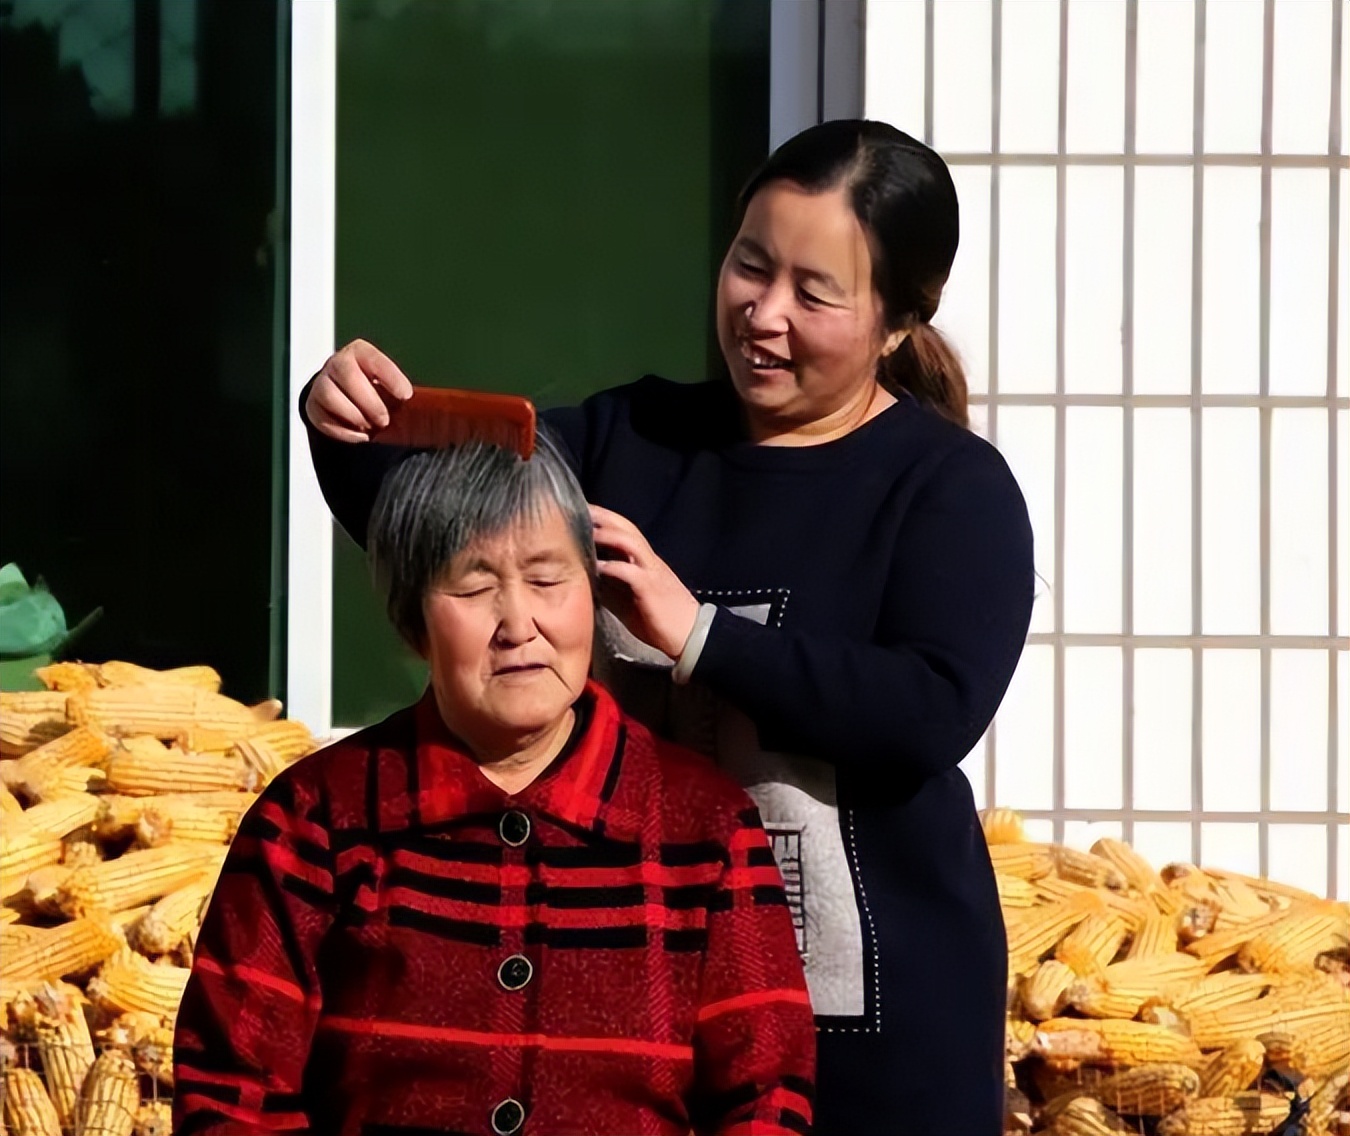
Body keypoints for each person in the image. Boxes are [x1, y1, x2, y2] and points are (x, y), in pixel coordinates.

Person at [302, 119, 1035, 1134]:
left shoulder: (949, 488)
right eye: (748, 265)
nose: (762, 314)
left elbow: (927, 707)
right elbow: (430, 512)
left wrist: (700, 635)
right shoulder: (631, 439)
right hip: (624, 1035)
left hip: (871, 1049)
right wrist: (344, 425)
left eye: (814, 293)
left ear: (900, 319)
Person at [172, 436, 816, 1136]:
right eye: (475, 587)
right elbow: (233, 1090)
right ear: (413, 619)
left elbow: (765, 1101)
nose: (519, 626)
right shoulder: (316, 818)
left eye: (547, 581)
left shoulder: (705, 827)